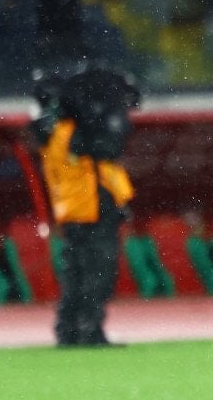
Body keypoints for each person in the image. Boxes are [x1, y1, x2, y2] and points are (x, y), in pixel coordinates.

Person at [36, 65, 140, 346]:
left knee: (75, 272)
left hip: (71, 209)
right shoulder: (78, 133)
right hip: (92, 206)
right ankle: (90, 329)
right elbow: (108, 151)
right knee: (98, 271)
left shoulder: (53, 132)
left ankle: (68, 329)